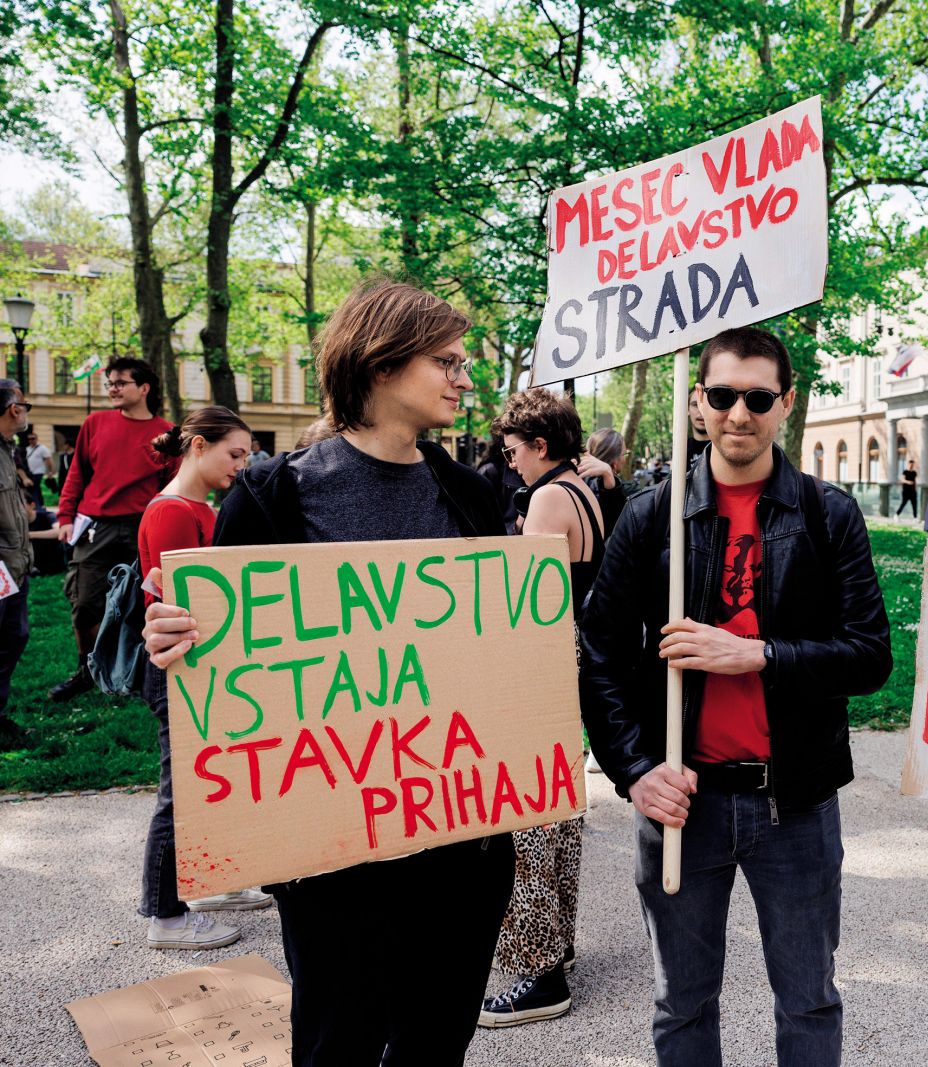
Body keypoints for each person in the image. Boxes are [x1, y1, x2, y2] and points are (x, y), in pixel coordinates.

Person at [141, 279, 513, 1066]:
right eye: (444, 360)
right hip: (332, 857)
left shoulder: (473, 496)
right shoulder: (274, 497)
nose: (463, 377)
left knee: (436, 1038)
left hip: (459, 842)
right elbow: (222, 664)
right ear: (380, 365)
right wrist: (176, 639)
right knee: (336, 1042)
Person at [581, 325, 892, 1067]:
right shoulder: (652, 515)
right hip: (682, 800)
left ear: (786, 401)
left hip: (796, 805)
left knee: (809, 998)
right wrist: (634, 769)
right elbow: (599, 653)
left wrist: (757, 654)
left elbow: (870, 655)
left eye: (758, 397)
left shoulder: (827, 513)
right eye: (722, 396)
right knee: (682, 1004)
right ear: (698, 401)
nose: (739, 414)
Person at [480, 388, 604, 1027]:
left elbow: (522, 593)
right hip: (573, 656)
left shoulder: (550, 496)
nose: (510, 466)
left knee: (528, 814)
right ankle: (558, 941)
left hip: (544, 659)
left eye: (513, 453)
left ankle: (539, 971)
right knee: (558, 805)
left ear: (541, 446)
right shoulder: (584, 491)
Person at [137, 406, 270, 951]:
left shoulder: (195, 507)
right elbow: (183, 600)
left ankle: (210, 883)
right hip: (180, 668)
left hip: (201, 667)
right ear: (196, 445)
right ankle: (165, 915)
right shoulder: (173, 512)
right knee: (182, 793)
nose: (241, 465)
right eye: (233, 453)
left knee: (208, 783)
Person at [51, 357, 176, 701]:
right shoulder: (94, 423)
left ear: (144, 388)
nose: (113, 389)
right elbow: (77, 474)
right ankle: (87, 670)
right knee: (85, 602)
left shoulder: (166, 432)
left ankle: (139, 671)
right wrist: (65, 518)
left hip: (143, 526)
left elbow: (171, 484)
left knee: (145, 601)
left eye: (120, 383)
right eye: (109, 384)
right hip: (97, 526)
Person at [0, 379, 33, 749]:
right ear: (14, 409)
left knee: (13, 637)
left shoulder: (7, 449)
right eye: (26, 405)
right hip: (2, 568)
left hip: (16, 569)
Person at [578, 427, 632, 533]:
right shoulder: (625, 491)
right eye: (624, 454)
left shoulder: (577, 478)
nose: (625, 459)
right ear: (615, 461)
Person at [24, 430, 51, 505]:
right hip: (30, 472)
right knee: (36, 488)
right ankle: (40, 503)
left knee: (34, 487)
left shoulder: (42, 448)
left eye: (33, 439)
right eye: (29, 439)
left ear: (36, 439)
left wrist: (50, 471)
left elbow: (48, 459)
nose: (31, 440)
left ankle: (37, 504)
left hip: (38, 471)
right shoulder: (27, 449)